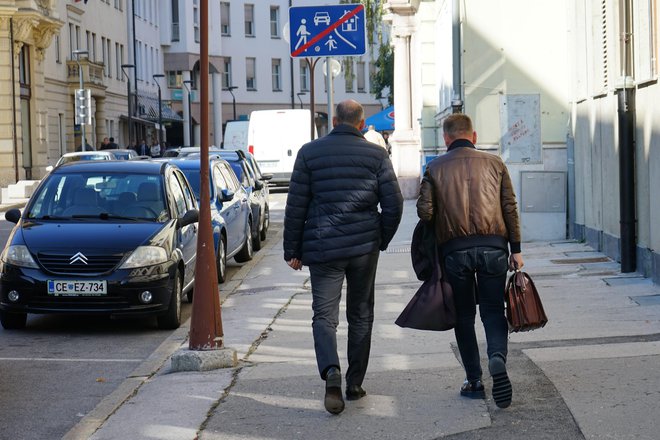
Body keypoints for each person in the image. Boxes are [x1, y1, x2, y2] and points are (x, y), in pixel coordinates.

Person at [284, 99, 404, 415]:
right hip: (364, 246)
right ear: (362, 124)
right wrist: (380, 237)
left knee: (324, 314)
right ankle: (354, 383)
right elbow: (394, 204)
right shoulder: (377, 155)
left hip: (323, 247)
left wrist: (292, 250)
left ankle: (330, 370)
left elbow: (296, 206)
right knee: (361, 314)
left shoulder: (309, 153)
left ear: (335, 121)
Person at [416, 113, 524, 409]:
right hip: (494, 248)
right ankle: (497, 358)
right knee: (492, 309)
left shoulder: (434, 167)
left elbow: (425, 212)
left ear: (445, 138)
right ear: (473, 136)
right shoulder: (495, 163)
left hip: (455, 251)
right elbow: (509, 207)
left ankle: (474, 381)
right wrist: (516, 249)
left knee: (464, 316)